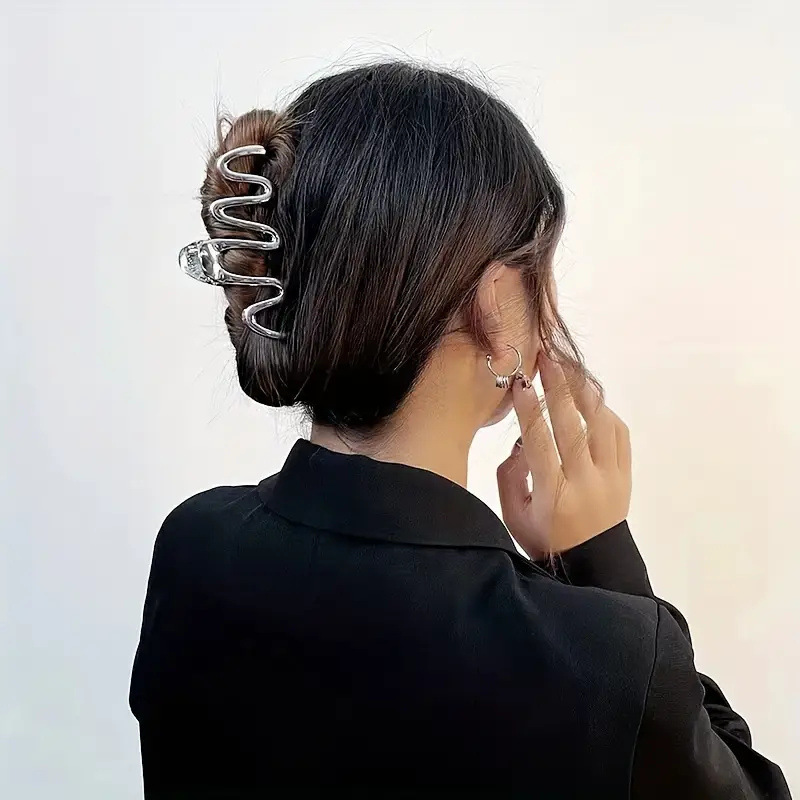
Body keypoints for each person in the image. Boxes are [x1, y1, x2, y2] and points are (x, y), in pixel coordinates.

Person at [129, 62, 791, 798]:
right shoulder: (601, 660)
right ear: (498, 302)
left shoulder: (192, 548)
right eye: (542, 272)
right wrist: (601, 557)